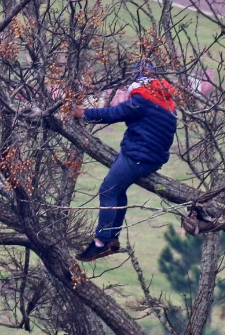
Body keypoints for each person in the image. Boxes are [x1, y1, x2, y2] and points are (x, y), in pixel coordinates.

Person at [73, 61, 178, 262]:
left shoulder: (143, 99)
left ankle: (100, 242)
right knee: (118, 191)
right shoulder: (166, 102)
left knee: (107, 190)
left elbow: (112, 114)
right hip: (152, 158)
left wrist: (83, 113)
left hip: (138, 157)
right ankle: (112, 237)